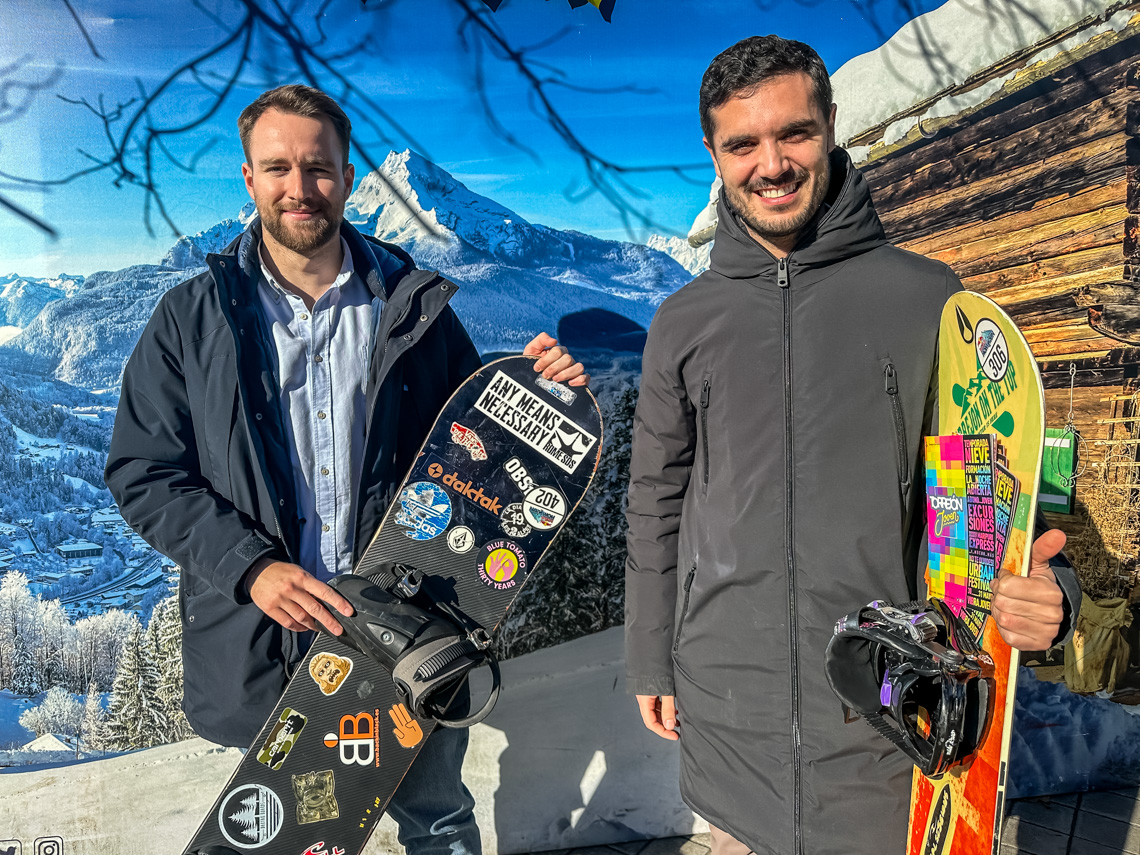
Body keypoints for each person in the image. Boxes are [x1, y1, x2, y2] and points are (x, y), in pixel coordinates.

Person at [623, 36, 1081, 855]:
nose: (773, 164)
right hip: (730, 719)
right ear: (712, 153)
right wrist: (651, 657)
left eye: (794, 132)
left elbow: (997, 498)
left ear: (833, 124)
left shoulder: (928, 300)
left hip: (883, 725)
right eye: (743, 144)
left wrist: (1056, 596)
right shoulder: (684, 322)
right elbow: (655, 501)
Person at [105, 84, 587, 855]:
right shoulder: (190, 320)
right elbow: (142, 471)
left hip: (405, 632)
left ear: (349, 175)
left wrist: (538, 390)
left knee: (439, 820)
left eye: (319, 168)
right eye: (279, 168)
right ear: (250, 179)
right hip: (264, 641)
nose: (300, 188)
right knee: (291, 835)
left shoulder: (414, 308)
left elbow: (479, 460)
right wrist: (251, 568)